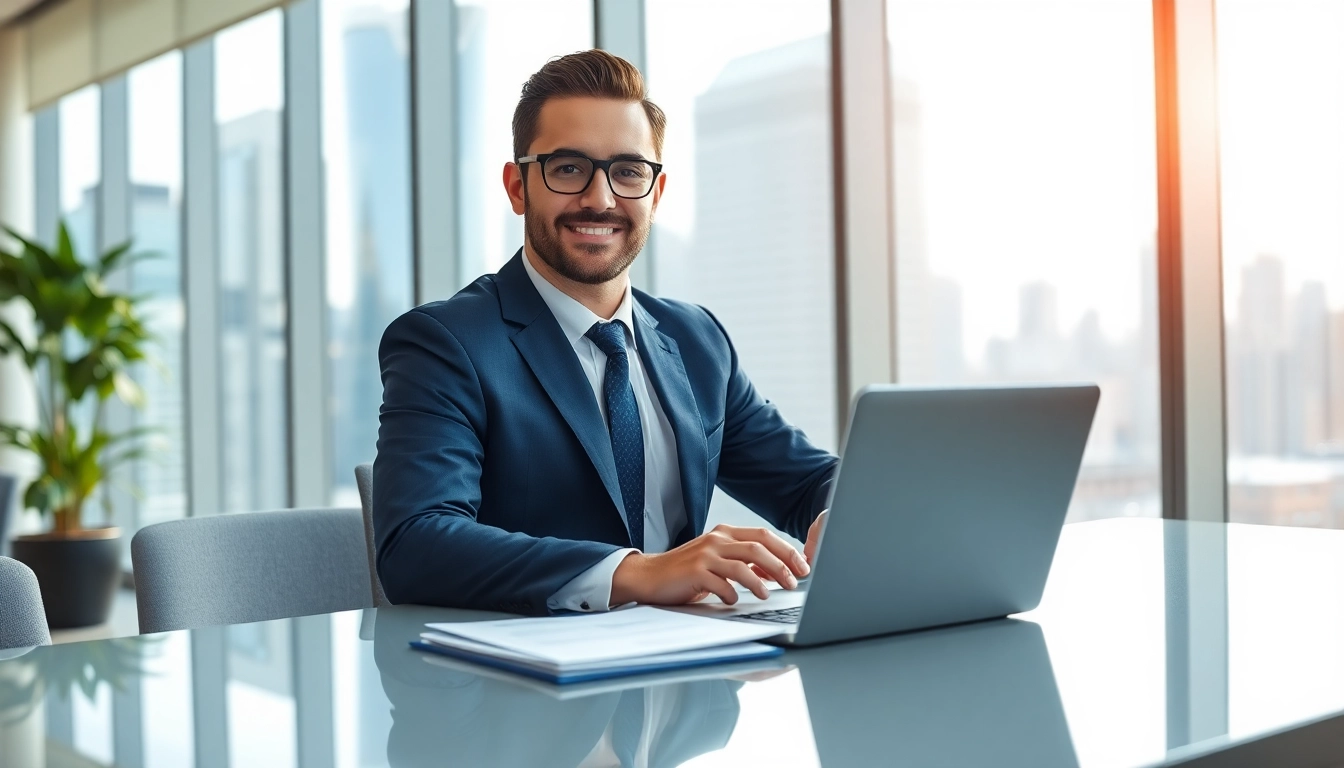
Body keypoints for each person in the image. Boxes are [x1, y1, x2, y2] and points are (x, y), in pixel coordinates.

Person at [373, 49, 837, 615]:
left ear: (656, 193)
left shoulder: (696, 341)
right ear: (518, 187)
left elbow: (808, 481)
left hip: (690, 678)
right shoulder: (445, 343)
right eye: (568, 168)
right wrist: (637, 574)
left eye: (628, 171)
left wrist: (846, 511)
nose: (600, 198)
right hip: (522, 689)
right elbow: (414, 544)